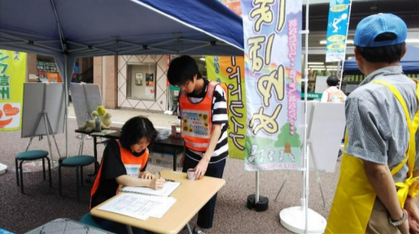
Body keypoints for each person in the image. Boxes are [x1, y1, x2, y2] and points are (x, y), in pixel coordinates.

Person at [326, 13, 419, 234]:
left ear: (356, 53)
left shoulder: (363, 97)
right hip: (401, 193)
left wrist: (399, 219)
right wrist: (411, 199)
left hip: (374, 205)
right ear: (404, 51)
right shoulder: (414, 88)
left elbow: (377, 169)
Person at [167, 55, 228, 234]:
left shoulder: (216, 91)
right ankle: (184, 222)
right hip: (192, 151)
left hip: (214, 154)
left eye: (185, 84)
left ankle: (201, 228)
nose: (183, 88)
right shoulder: (183, 94)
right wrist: (185, 153)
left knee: (208, 193)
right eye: (179, 85)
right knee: (188, 190)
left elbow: (217, 128)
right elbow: (185, 125)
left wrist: (206, 159)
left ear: (195, 76)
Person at [89, 116, 165, 234]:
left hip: (129, 202)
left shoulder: (144, 151)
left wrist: (144, 173)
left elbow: (137, 171)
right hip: (105, 206)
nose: (143, 146)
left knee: (156, 228)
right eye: (139, 143)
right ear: (129, 138)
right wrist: (149, 183)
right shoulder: (114, 147)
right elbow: (120, 178)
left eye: (147, 142)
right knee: (139, 232)